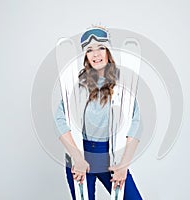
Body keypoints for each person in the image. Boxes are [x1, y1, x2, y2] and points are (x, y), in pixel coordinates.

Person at [55, 26, 143, 200]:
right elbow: (60, 119)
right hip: (80, 154)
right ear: (85, 56)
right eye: (89, 50)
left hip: (110, 156)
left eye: (101, 48)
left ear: (109, 51)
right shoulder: (77, 85)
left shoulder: (123, 84)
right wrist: (77, 158)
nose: (96, 55)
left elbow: (135, 122)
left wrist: (124, 164)